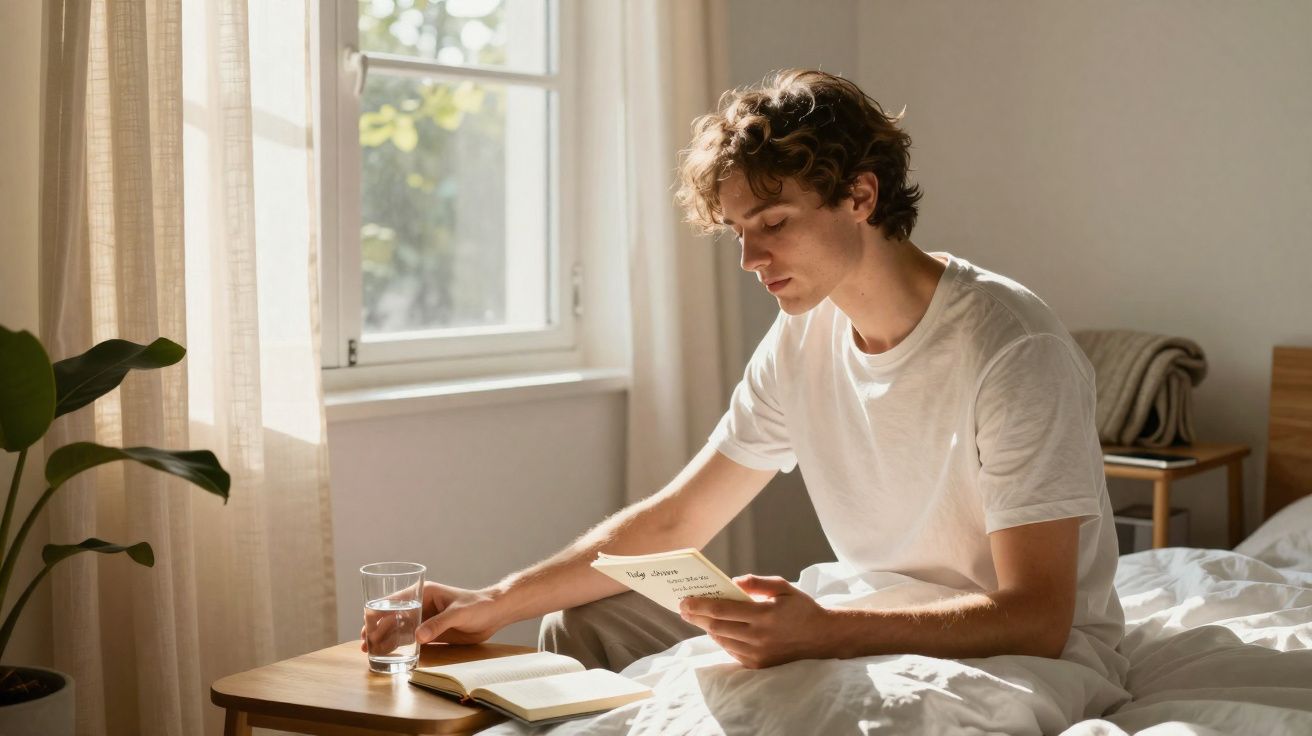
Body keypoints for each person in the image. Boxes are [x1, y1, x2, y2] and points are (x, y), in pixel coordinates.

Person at [362, 69, 1127, 692]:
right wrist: (492, 603)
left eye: (773, 222)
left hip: (997, 646)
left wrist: (825, 632)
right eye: (738, 231)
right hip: (858, 611)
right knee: (583, 625)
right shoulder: (802, 336)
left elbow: (1038, 616)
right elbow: (676, 521)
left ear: (860, 196)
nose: (749, 260)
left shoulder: (1012, 347)